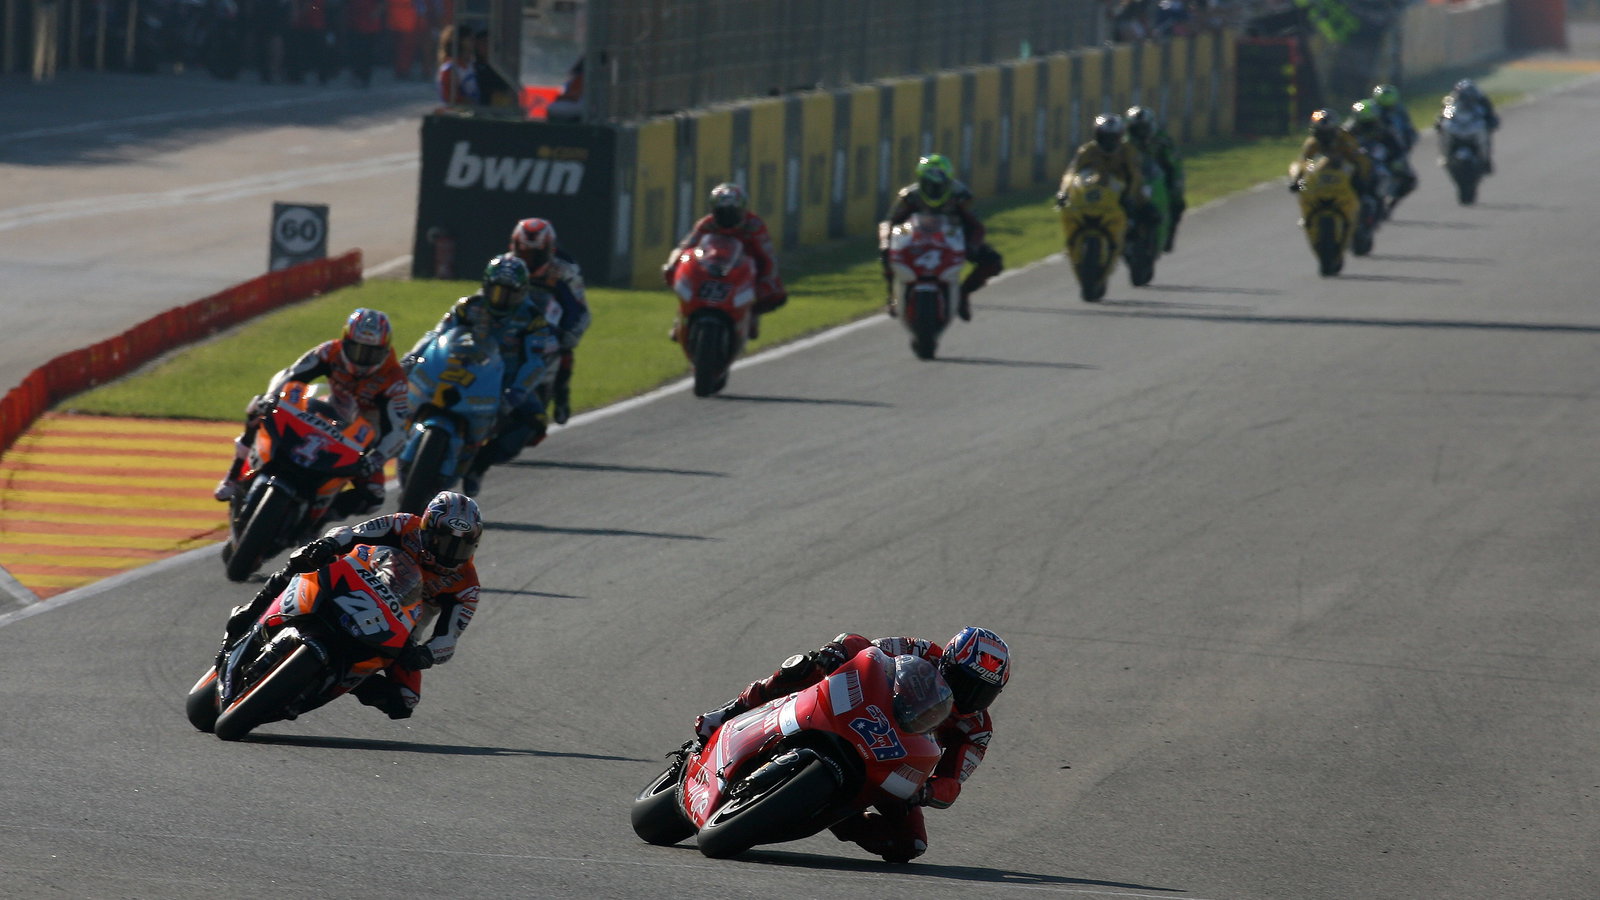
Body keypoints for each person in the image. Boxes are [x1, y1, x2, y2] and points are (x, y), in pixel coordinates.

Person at [692, 627, 1012, 863]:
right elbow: (868, 649)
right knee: (806, 665)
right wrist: (837, 650)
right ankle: (731, 711)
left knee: (910, 844)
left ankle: (839, 815)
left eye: (981, 691)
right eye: (962, 681)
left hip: (892, 755)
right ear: (947, 662)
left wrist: (927, 791)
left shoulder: (977, 730)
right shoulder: (920, 650)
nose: (967, 695)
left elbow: (952, 782)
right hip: (861, 711)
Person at [220, 491, 483, 720]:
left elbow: (448, 640)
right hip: (355, 584)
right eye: (443, 542)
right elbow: (352, 533)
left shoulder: (467, 586)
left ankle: (338, 682)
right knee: (304, 559)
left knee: (404, 701)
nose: (450, 553)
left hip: (400, 629)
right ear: (426, 529)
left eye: (461, 547)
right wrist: (329, 544)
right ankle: (252, 610)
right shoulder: (403, 524)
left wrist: (425, 655)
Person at [214, 308, 408, 518]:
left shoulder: (394, 378)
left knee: (374, 496)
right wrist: (271, 397)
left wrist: (376, 458)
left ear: (385, 350)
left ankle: (318, 518)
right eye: (357, 350)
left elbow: (397, 430)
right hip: (329, 408)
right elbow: (292, 374)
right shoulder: (329, 351)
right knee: (256, 408)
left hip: (364, 433)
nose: (362, 360)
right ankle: (233, 476)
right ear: (345, 341)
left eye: (371, 353)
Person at [403, 254, 562, 497]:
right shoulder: (468, 305)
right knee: (405, 387)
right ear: (486, 286)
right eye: (496, 291)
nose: (501, 299)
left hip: (505, 381)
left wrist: (516, 393)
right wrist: (413, 357)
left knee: (535, 422)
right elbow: (437, 334)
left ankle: (478, 465)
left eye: (509, 293)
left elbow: (535, 363)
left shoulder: (532, 320)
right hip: (462, 367)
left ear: (522, 292)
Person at [880, 154, 1004, 321]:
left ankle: (962, 295)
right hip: (915, 237)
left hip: (954, 237)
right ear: (920, 181)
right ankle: (893, 295)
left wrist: (973, 245)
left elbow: (976, 225)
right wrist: (887, 241)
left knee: (993, 262)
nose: (934, 188)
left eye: (939, 184)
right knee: (886, 254)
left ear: (949, 181)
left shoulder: (961, 195)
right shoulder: (909, 195)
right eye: (929, 184)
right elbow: (890, 222)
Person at [662, 183, 787, 339]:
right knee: (686, 263)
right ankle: (681, 319)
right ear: (714, 211)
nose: (727, 217)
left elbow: (767, 257)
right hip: (709, 267)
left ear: (742, 210)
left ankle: (750, 315)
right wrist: (675, 265)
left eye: (732, 212)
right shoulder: (707, 223)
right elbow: (686, 248)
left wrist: (767, 280)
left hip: (744, 269)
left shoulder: (754, 225)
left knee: (776, 294)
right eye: (722, 212)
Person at [509, 218, 591, 427]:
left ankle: (562, 394)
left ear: (549, 250)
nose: (529, 261)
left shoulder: (564, 270)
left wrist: (569, 333)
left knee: (566, 346)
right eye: (524, 253)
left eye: (535, 255)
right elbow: (485, 294)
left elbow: (579, 309)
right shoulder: (505, 265)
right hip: (510, 321)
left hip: (549, 324)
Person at [1058, 114, 1147, 226]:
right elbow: (1071, 172)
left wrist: (1130, 196)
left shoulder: (1128, 150)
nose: (1109, 142)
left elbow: (1135, 175)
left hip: (1123, 193)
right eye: (1104, 138)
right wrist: (1064, 192)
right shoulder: (1088, 150)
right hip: (1096, 190)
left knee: (1149, 214)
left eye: (1113, 138)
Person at [1124, 105, 1188, 252]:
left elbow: (1175, 163)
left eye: (1143, 128)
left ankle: (1169, 236)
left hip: (1158, 177)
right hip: (1131, 179)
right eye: (1136, 129)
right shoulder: (1124, 142)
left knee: (1177, 203)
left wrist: (1176, 183)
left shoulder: (1162, 140)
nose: (1140, 133)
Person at [1346, 100, 1415, 215]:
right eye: (1364, 123)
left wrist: (1396, 160)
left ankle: (1388, 204)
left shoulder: (1384, 128)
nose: (1367, 127)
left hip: (1379, 162)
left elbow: (1396, 147)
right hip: (1355, 162)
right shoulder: (1348, 131)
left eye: (1370, 123)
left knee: (1408, 179)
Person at [1290, 107, 1371, 197]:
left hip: (1344, 176)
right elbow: (1303, 161)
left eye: (1327, 133)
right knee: (1300, 168)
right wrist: (1298, 181)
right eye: (1320, 132)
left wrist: (1361, 178)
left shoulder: (1345, 139)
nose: (1324, 137)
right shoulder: (1313, 142)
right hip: (1321, 178)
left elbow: (1358, 158)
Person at [1439, 78, 1499, 174]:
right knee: (1446, 133)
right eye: (1463, 95)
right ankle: (1446, 157)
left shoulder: (1481, 102)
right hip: (1457, 128)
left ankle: (1486, 160)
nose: (1466, 98)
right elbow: (1444, 116)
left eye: (1469, 95)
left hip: (1475, 128)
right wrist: (1440, 123)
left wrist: (1491, 122)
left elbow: (1490, 115)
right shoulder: (1451, 102)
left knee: (1485, 139)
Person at [436, 24, 480, 106]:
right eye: (470, 39)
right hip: (458, 111)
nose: (474, 42)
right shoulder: (449, 68)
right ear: (460, 41)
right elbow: (449, 98)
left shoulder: (472, 64)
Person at [1370, 83, 1417, 152]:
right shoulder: (1372, 108)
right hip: (1379, 139)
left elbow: (1407, 124)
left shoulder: (1399, 109)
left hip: (1394, 143)